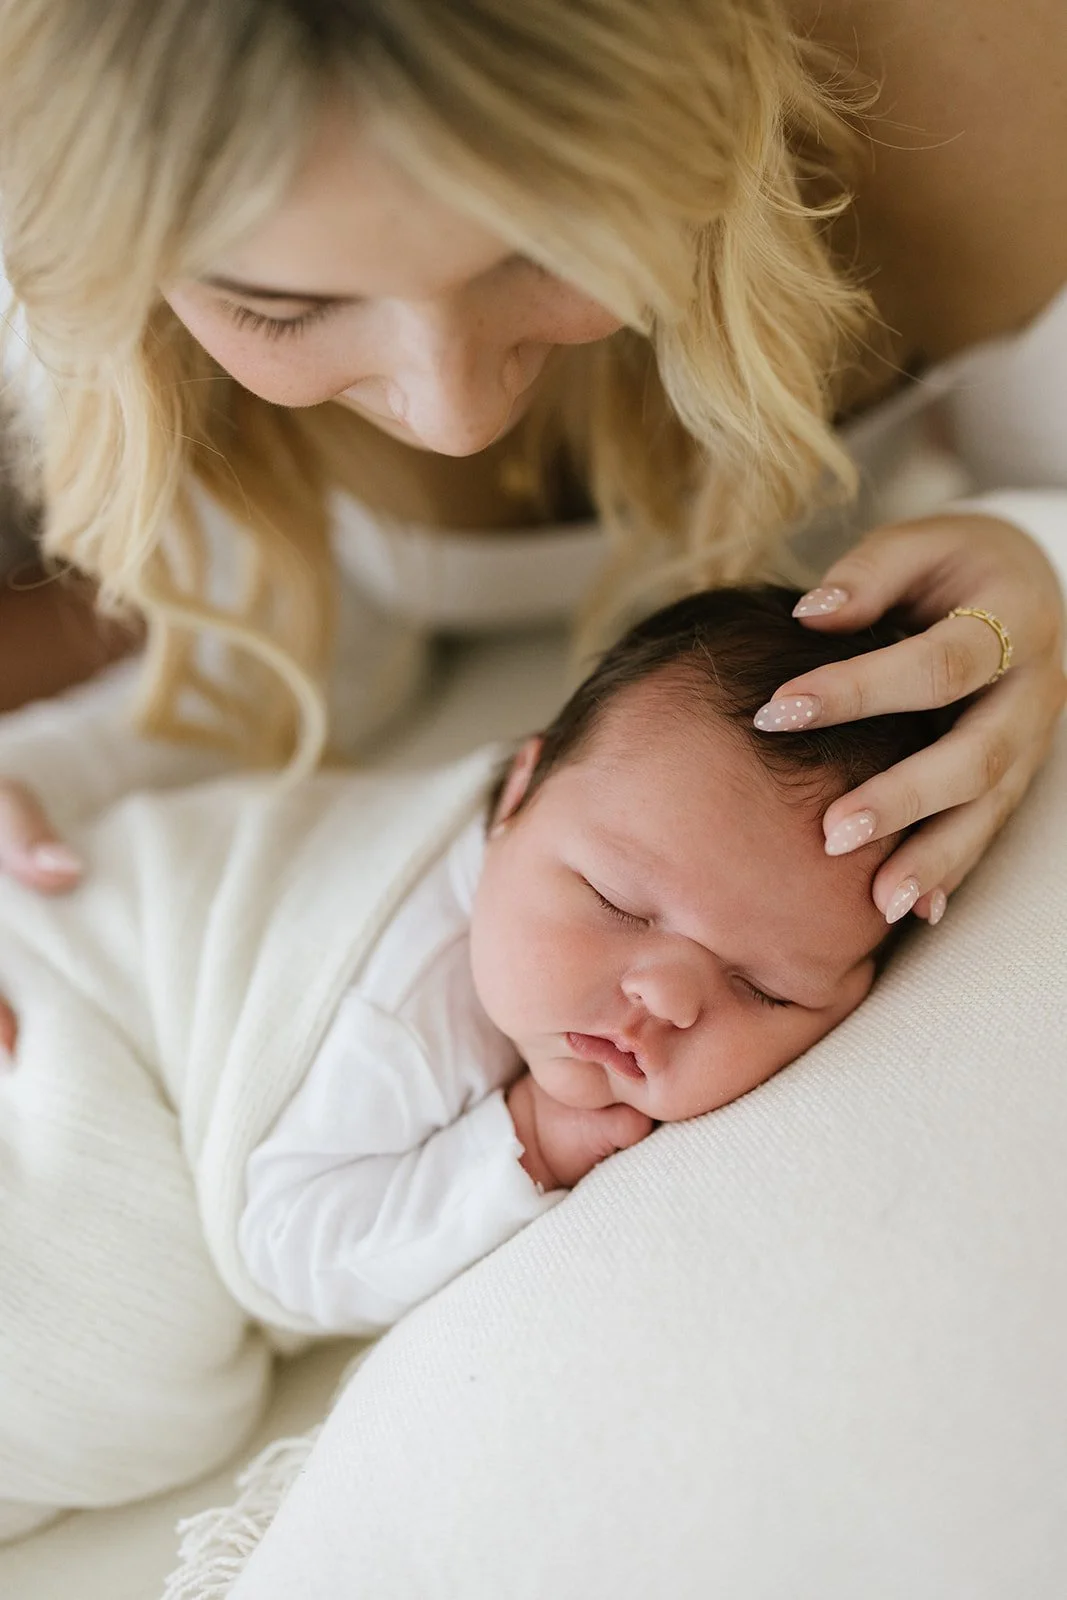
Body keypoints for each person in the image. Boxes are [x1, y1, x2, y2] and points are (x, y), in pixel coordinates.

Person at [0, 0, 1064, 1026]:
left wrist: (1033, 550)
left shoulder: (968, 80)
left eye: (549, 247)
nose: (455, 414)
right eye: (281, 309)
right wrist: (40, 778)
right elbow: (313, 650)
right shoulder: (70, 228)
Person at [0, 586, 947, 1533]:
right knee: (121, 1351)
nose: (666, 997)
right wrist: (519, 1146)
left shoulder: (591, 826)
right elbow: (285, 1244)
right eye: (616, 902)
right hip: (58, 998)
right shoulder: (403, 1021)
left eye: (762, 987)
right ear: (514, 796)